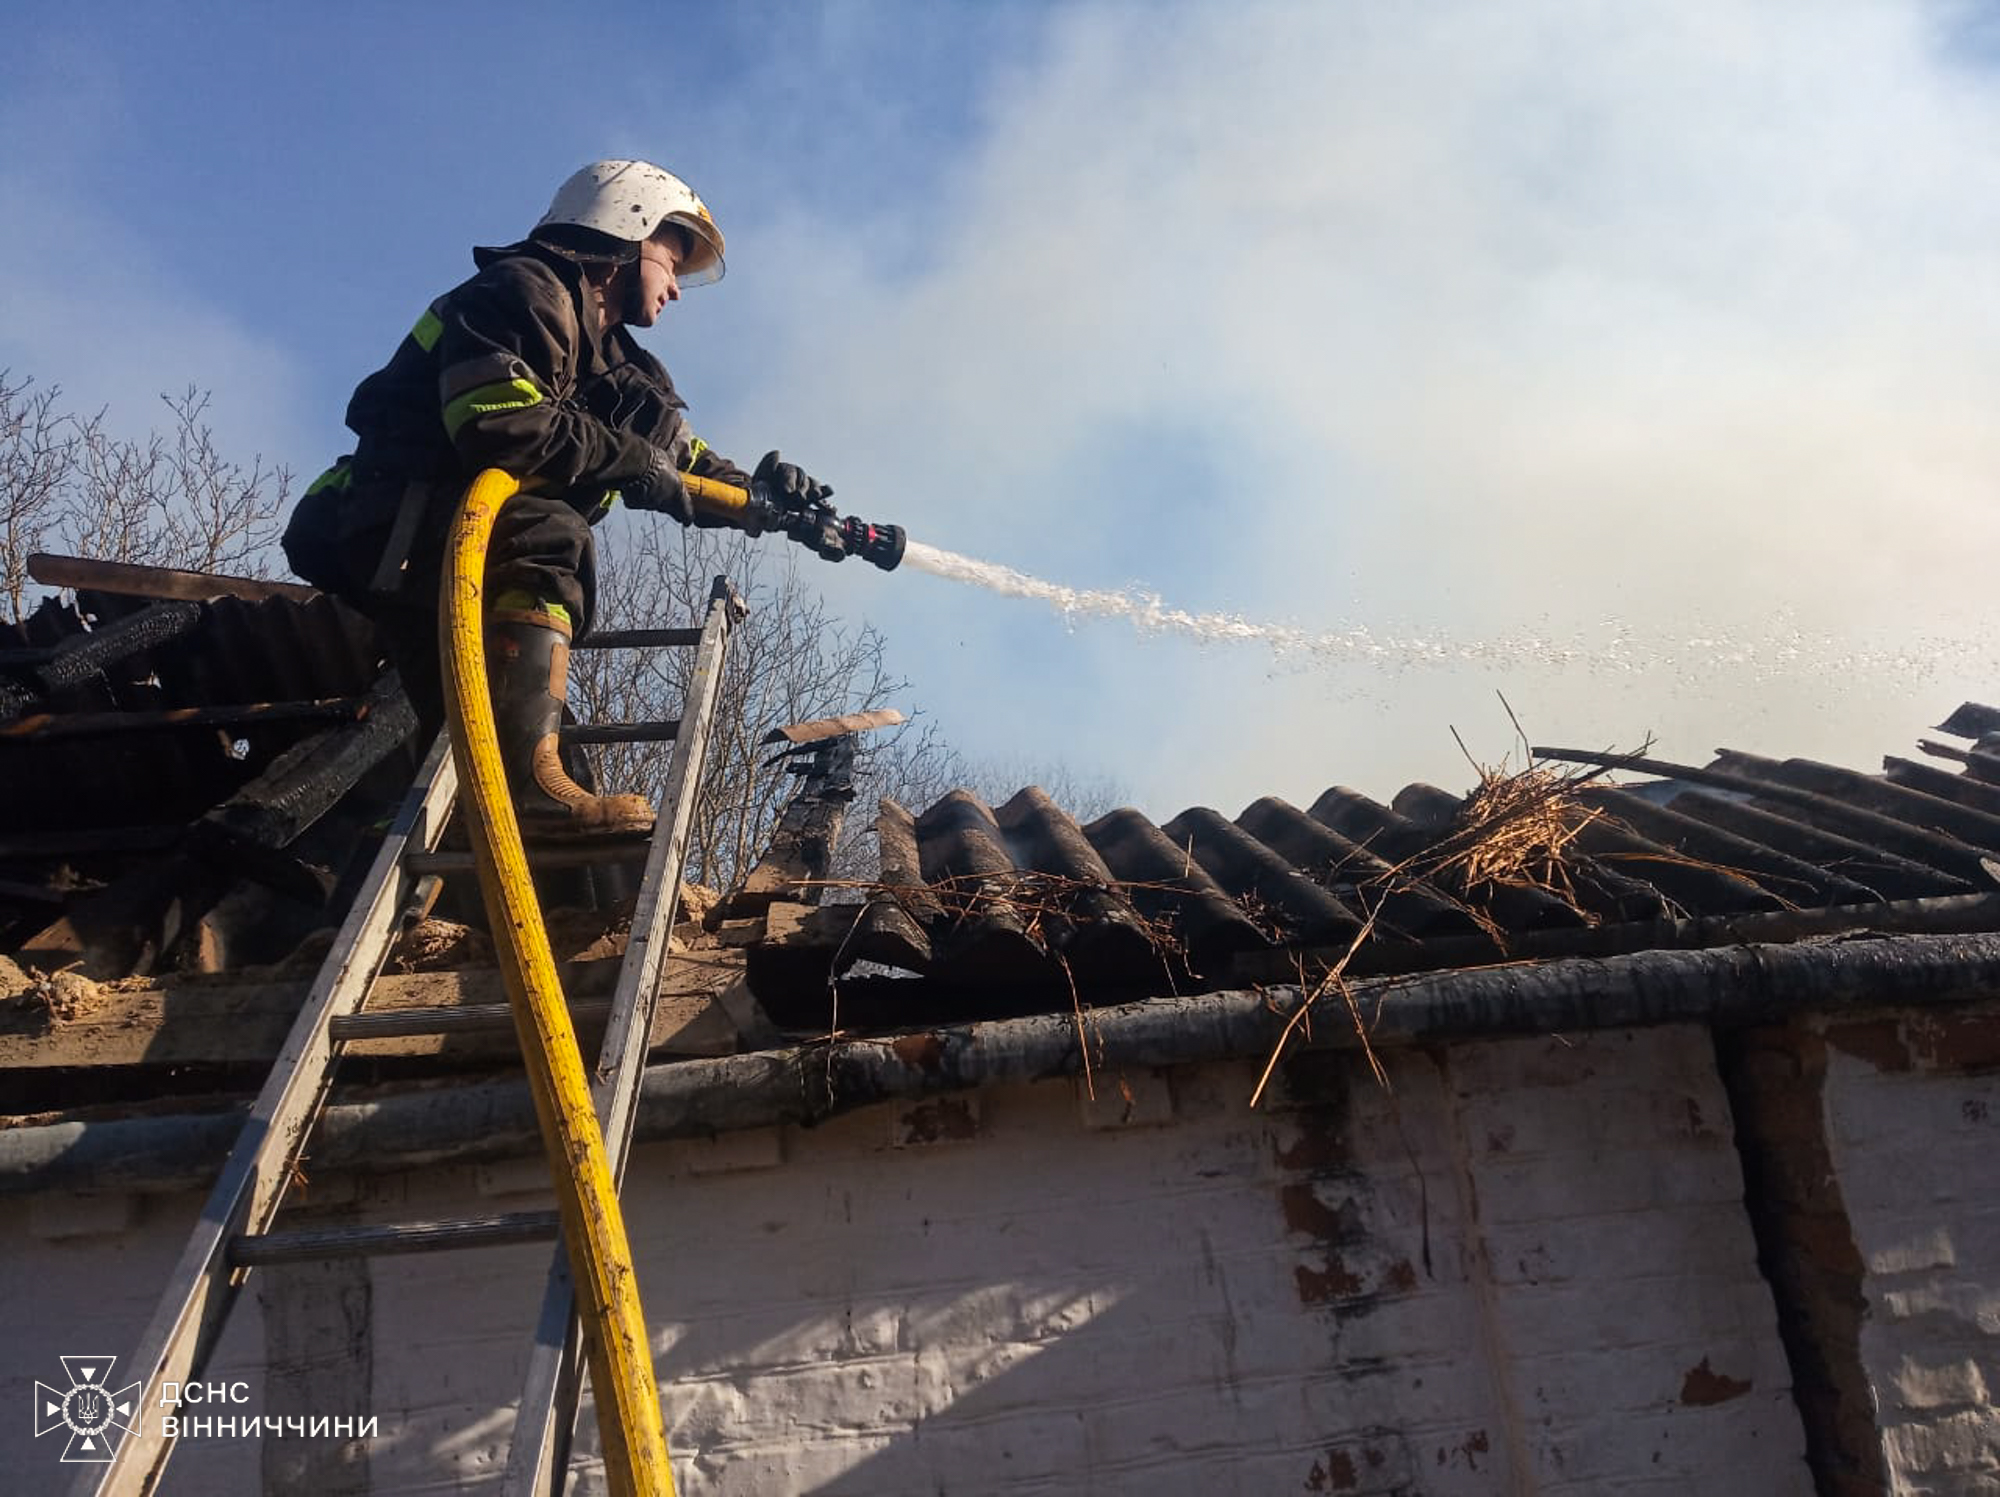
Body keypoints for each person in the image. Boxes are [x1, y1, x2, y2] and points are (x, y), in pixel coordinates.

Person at [283, 159, 828, 835]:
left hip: (447, 544)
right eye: (671, 256)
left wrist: (765, 495)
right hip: (389, 517)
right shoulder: (520, 291)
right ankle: (530, 792)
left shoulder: (625, 371)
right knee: (551, 536)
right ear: (625, 229)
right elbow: (498, 422)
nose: (678, 289)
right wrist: (627, 460)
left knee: (465, 736)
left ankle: (456, 879)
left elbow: (682, 461)